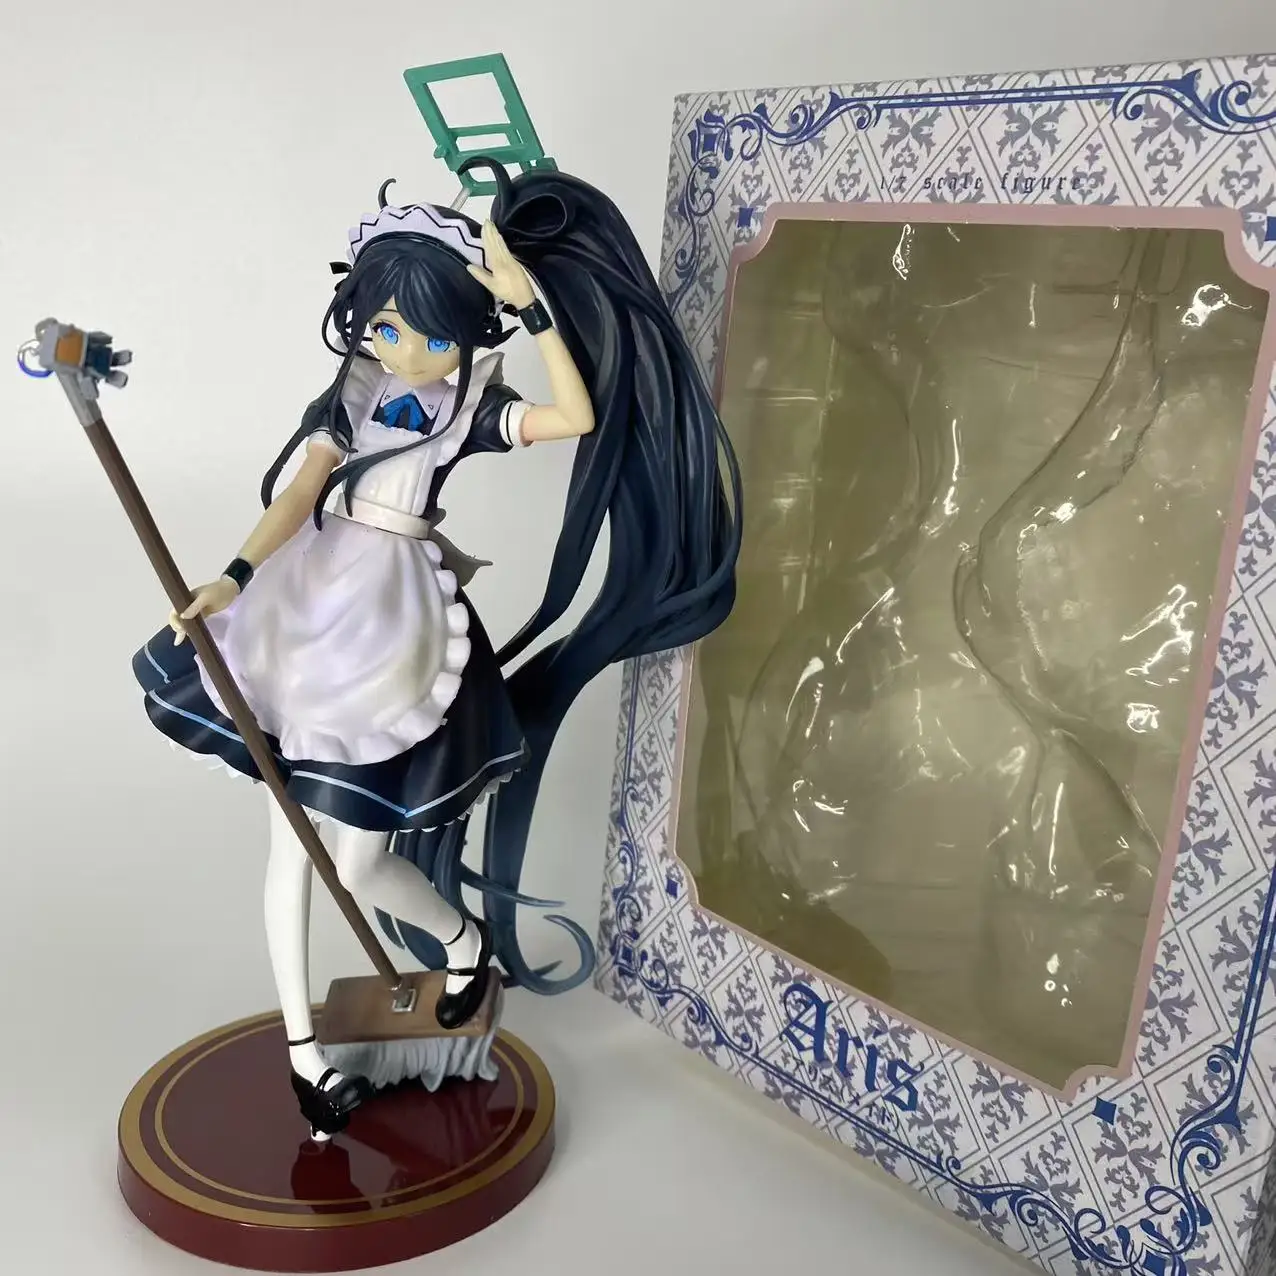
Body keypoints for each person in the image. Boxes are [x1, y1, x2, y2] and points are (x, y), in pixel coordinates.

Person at [131, 157, 742, 1135]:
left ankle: (462, 945)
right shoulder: (353, 392)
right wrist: (234, 578)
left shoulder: (470, 404)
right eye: (385, 328)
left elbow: (576, 416)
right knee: (292, 844)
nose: (403, 350)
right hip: (309, 606)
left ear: (465, 327)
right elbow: (300, 494)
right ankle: (304, 1056)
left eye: (426, 332)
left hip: (392, 626)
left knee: (361, 864)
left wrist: (528, 305)